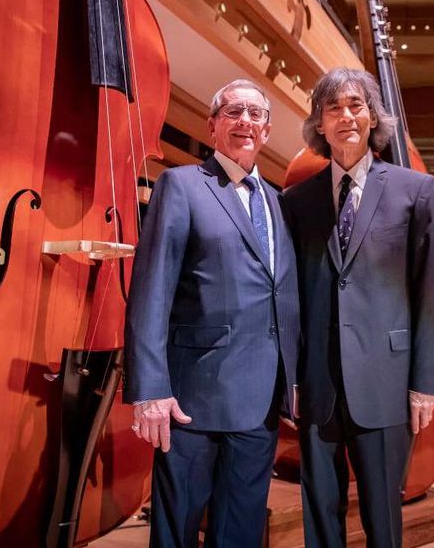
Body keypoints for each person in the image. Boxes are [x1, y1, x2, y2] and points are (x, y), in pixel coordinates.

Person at [124, 78, 300, 547]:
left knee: (240, 533)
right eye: (233, 111)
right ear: (212, 125)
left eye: (255, 114)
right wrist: (150, 389)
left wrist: (296, 380)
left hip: (261, 402)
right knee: (177, 531)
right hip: (192, 400)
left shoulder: (280, 204)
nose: (245, 121)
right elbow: (151, 290)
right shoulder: (181, 185)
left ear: (267, 131)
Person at [282, 67, 434, 548]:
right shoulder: (296, 201)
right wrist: (290, 378)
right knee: (320, 514)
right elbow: (290, 299)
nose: (345, 117)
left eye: (355, 105)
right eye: (332, 108)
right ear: (319, 123)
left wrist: (425, 385)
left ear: (373, 117)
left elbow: (431, 295)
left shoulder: (416, 190)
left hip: (386, 380)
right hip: (318, 384)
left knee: (383, 517)